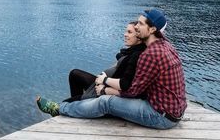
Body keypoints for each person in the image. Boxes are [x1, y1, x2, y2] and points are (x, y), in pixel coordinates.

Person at [36, 8, 186, 130]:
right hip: (173, 111)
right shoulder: (166, 46)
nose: (136, 27)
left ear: (152, 29)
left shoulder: (150, 54)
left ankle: (59, 109)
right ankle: (69, 108)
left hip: (160, 116)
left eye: (140, 24)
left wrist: (105, 88)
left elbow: (132, 91)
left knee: (106, 103)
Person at [65, 21, 146, 102]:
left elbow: (125, 84)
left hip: (106, 89)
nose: (125, 34)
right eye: (126, 31)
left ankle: (77, 105)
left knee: (66, 103)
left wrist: (104, 82)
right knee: (74, 74)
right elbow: (120, 60)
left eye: (129, 32)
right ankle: (78, 105)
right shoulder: (130, 52)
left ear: (139, 36)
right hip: (104, 84)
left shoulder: (136, 55)